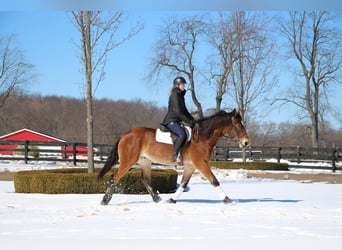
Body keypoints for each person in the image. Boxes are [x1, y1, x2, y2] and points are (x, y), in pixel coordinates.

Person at [162, 76, 195, 162]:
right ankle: (175, 154)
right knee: (182, 134)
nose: (184, 86)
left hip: (177, 120)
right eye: (182, 84)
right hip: (171, 120)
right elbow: (178, 113)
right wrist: (188, 121)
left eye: (184, 84)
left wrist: (193, 120)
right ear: (177, 85)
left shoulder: (180, 96)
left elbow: (185, 111)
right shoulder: (175, 95)